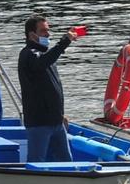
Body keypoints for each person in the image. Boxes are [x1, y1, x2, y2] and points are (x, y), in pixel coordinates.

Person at [17, 14, 82, 163]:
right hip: (39, 123)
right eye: (43, 31)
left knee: (66, 161)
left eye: (48, 30)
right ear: (32, 35)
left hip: (56, 122)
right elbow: (42, 62)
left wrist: (61, 115)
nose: (48, 34)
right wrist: (64, 42)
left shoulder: (46, 55)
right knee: (36, 161)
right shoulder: (28, 54)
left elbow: (52, 87)